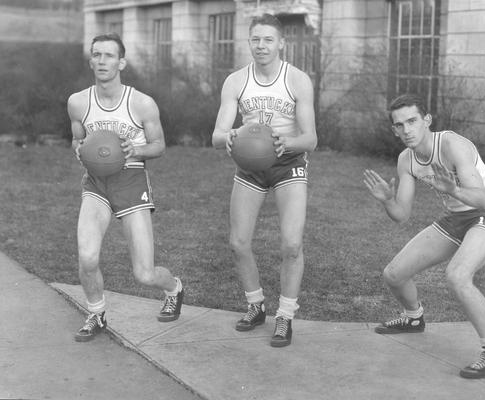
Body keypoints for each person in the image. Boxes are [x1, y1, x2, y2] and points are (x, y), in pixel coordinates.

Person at [363, 93, 485, 379]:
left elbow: (481, 200)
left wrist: (452, 190)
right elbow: (401, 214)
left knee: (458, 275)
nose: (407, 130)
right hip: (454, 219)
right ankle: (414, 318)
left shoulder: (453, 145)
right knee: (394, 274)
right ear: (394, 129)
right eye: (399, 125)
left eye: (412, 121)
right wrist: (387, 200)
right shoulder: (406, 159)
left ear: (427, 120)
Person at [67, 33, 184, 342]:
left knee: (144, 275)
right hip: (97, 183)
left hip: (131, 180)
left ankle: (174, 287)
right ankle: (96, 312)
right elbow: (77, 139)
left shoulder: (142, 103)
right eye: (97, 55)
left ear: (121, 62)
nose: (102, 61)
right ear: (91, 60)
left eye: (108, 55)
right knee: (87, 257)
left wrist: (136, 150)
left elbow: (159, 145)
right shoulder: (78, 103)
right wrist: (79, 149)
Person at [212, 14, 317, 347]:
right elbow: (217, 134)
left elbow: (311, 138)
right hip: (250, 162)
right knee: (238, 242)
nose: (261, 46)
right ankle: (255, 306)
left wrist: (286, 143)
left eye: (268, 40)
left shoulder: (297, 80)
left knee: (291, 244)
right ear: (249, 42)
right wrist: (227, 138)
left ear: (281, 43)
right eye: (256, 39)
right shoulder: (236, 82)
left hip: (287, 161)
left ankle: (284, 316)